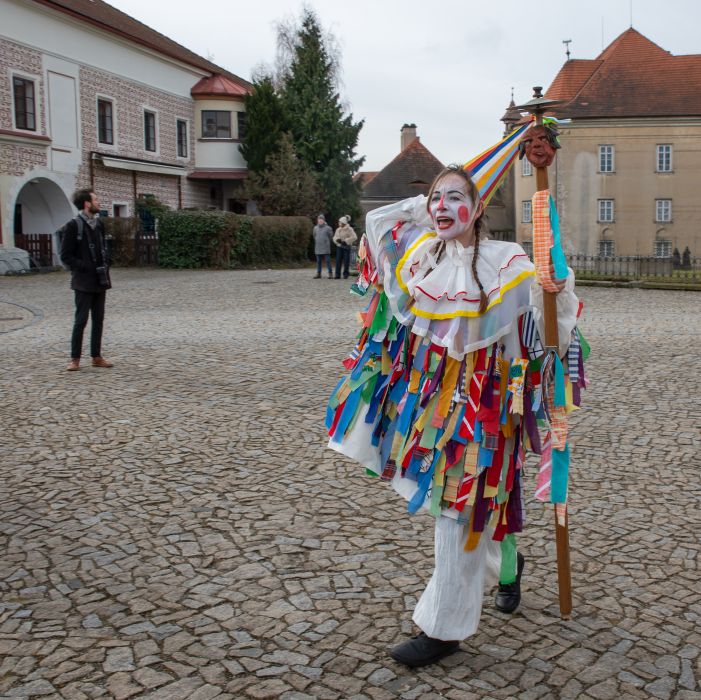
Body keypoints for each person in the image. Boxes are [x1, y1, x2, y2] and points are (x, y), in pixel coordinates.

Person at [326, 165, 586, 667]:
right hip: (437, 406)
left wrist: (555, 290)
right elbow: (377, 225)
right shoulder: (425, 258)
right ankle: (503, 562)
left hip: (489, 411)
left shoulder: (507, 260)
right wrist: (425, 207)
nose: (442, 206)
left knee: (456, 511)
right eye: (435, 198)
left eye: (455, 198)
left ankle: (443, 629)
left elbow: (547, 334)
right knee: (465, 509)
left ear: (479, 207)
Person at [60, 189, 113, 371]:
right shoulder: (73, 225)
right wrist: (84, 266)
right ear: (87, 203)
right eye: (95, 199)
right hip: (83, 282)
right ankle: (75, 359)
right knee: (81, 321)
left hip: (100, 279)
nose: (99, 202)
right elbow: (65, 256)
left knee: (98, 320)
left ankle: (96, 356)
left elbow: (104, 246)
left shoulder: (99, 224)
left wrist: (107, 262)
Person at [313, 214, 334, 279]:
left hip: (326, 247)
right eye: (319, 219)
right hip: (318, 247)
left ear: (324, 220)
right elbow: (314, 236)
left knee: (328, 261)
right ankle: (318, 273)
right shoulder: (315, 228)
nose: (320, 221)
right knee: (318, 261)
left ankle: (330, 273)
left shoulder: (328, 228)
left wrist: (326, 241)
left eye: (321, 219)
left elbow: (331, 236)